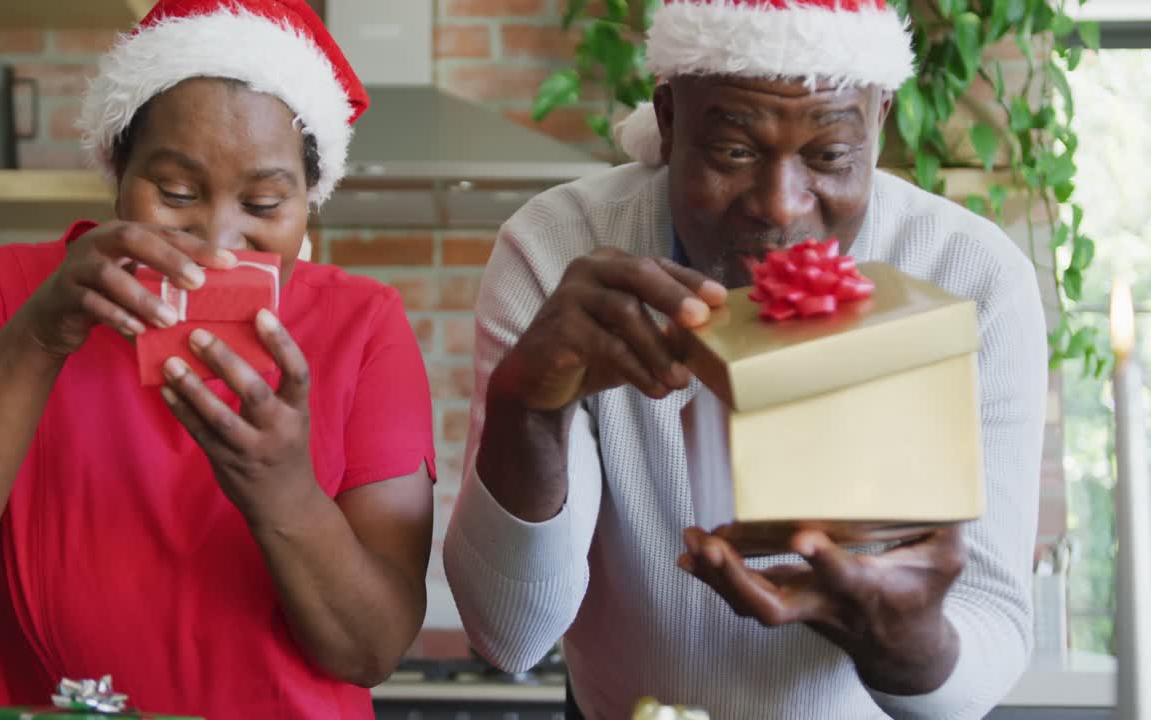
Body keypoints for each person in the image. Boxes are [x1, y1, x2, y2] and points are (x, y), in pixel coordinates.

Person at [442, 0, 1048, 718]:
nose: (780, 207)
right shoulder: (561, 250)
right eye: (734, 151)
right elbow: (511, 633)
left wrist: (905, 638)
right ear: (668, 120)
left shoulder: (969, 275)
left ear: (879, 120)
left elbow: (988, 645)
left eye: (829, 157)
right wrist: (527, 411)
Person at [0, 1, 436, 717]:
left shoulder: (364, 324)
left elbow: (373, 651)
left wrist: (284, 495)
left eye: (266, 203)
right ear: (117, 166)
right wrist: (39, 337)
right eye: (176, 192)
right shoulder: (4, 294)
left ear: (311, 199)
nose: (217, 237)